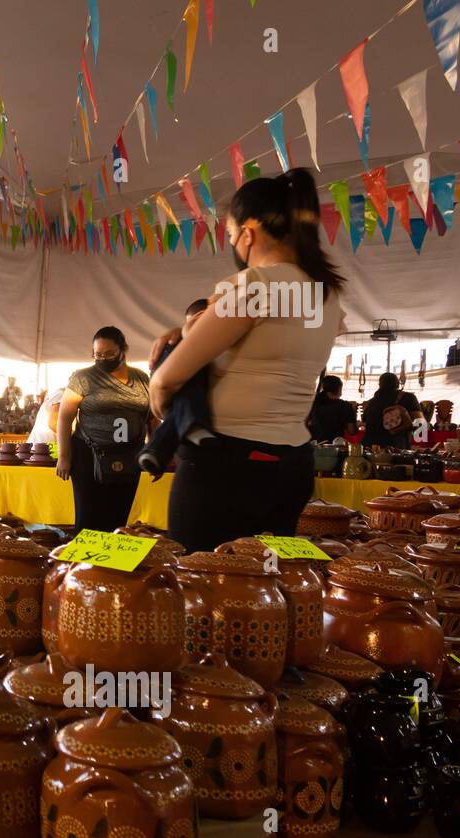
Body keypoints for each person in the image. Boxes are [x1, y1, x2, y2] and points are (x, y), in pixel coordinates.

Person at [149, 168, 346, 552]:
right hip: (291, 463)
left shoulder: (256, 284)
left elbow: (167, 380)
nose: (234, 245)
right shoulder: (327, 295)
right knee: (264, 588)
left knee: (201, 582)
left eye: (231, 236)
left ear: (249, 232)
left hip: (227, 464)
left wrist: (163, 408)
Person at [55, 327, 151, 532]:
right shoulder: (83, 378)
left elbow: (150, 418)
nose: (103, 359)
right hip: (88, 455)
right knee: (88, 519)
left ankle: (109, 564)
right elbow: (64, 418)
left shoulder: (142, 379)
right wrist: (64, 456)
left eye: (109, 354)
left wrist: (155, 452)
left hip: (129, 456)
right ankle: (83, 564)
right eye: (97, 355)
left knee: (118, 519)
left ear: (123, 350)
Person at [139, 298, 213, 479]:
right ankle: (187, 427)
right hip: (197, 442)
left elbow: (161, 393)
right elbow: (160, 395)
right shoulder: (174, 343)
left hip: (201, 440)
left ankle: (158, 449)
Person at [361, 372, 421, 449]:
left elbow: (366, 424)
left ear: (379, 385)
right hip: (395, 449)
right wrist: (407, 426)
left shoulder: (369, 403)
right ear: (398, 384)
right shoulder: (408, 397)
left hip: (369, 448)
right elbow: (420, 424)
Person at [308, 375, 356, 443]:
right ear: (339, 388)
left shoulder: (313, 404)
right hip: (336, 446)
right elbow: (352, 431)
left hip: (315, 445)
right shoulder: (345, 406)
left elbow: (306, 424)